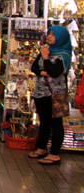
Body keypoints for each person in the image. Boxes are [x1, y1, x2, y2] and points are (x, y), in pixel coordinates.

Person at [28, 26, 71, 166]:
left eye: (53, 34)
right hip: (41, 93)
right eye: (49, 34)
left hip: (55, 95)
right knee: (44, 122)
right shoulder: (47, 49)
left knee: (56, 124)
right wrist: (41, 72)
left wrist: (46, 59)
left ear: (61, 37)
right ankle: (41, 147)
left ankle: (54, 154)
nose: (50, 36)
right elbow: (34, 67)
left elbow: (54, 72)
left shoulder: (63, 55)